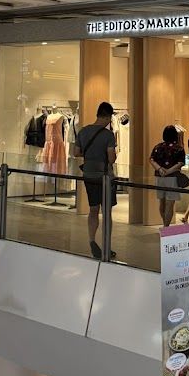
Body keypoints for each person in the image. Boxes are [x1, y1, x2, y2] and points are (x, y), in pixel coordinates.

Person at [74, 101, 117, 260]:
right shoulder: (108, 135)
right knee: (106, 212)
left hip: (89, 175)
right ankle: (106, 246)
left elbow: (76, 152)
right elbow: (111, 158)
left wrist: (90, 154)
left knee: (93, 209)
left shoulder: (83, 131)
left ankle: (92, 240)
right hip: (105, 177)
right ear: (108, 117)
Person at [150, 125, 186, 227]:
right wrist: (168, 171)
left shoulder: (158, 147)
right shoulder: (179, 148)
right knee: (170, 204)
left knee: (162, 202)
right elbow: (180, 163)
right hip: (172, 178)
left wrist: (160, 169)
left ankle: (165, 225)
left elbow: (151, 159)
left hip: (159, 177)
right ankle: (166, 227)